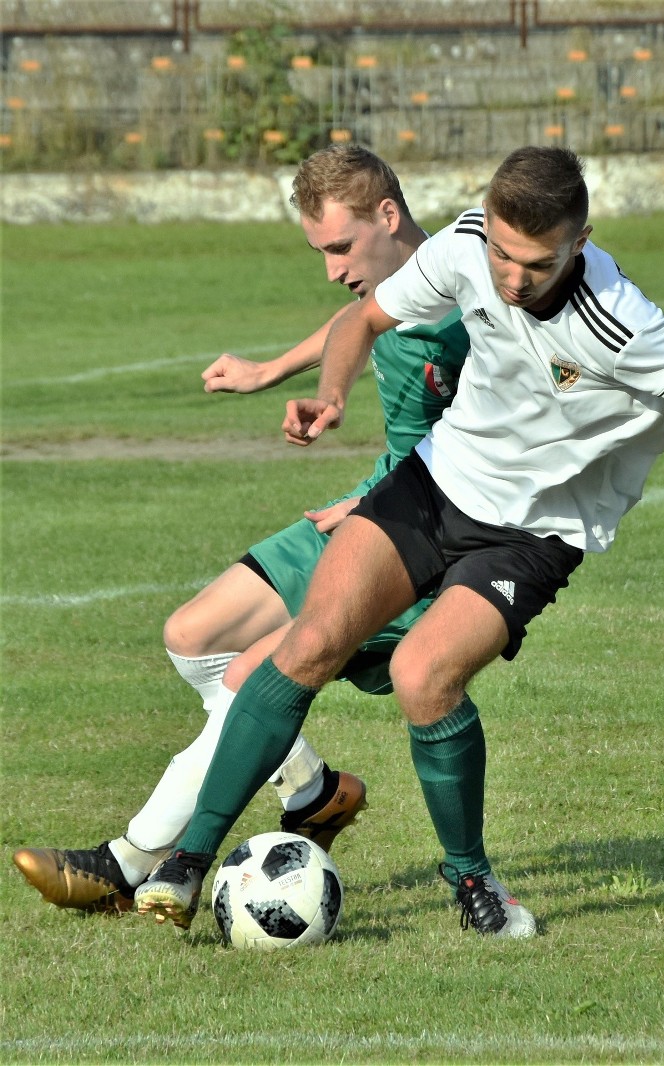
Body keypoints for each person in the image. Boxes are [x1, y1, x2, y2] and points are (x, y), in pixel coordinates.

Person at [133, 144, 664, 940]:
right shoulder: (465, 246)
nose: (513, 278)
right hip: (433, 486)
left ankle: (471, 878)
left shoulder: (621, 324)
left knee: (423, 676)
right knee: (308, 643)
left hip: (532, 535)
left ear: (581, 241)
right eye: (504, 255)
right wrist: (332, 393)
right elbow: (368, 315)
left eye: (538, 264)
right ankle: (188, 861)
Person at [12, 145, 471, 913]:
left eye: (338, 247)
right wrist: (271, 373)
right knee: (194, 634)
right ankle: (315, 791)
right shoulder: (403, 276)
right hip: (376, 501)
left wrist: (384, 508)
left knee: (250, 677)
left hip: (432, 534)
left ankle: (128, 861)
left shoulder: (474, 309)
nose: (330, 268)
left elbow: (494, 445)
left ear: (388, 217)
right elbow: (357, 317)